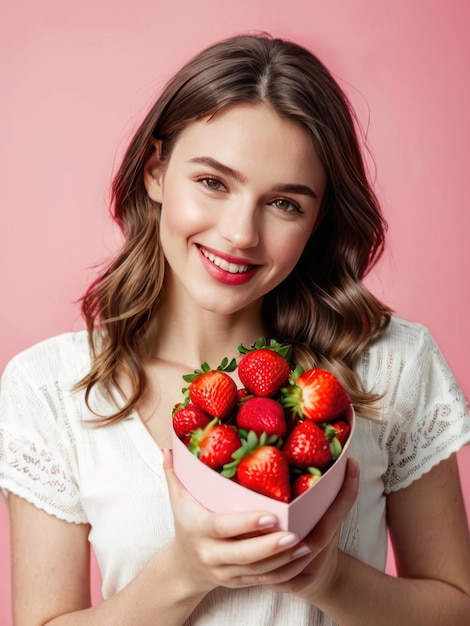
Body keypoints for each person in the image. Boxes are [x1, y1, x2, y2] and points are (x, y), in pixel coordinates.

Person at [1, 33, 469, 626]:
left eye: (285, 204)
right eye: (213, 183)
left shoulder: (390, 366)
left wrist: (327, 577)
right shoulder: (52, 388)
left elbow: (458, 608)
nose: (241, 233)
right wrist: (184, 573)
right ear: (154, 171)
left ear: (317, 219)